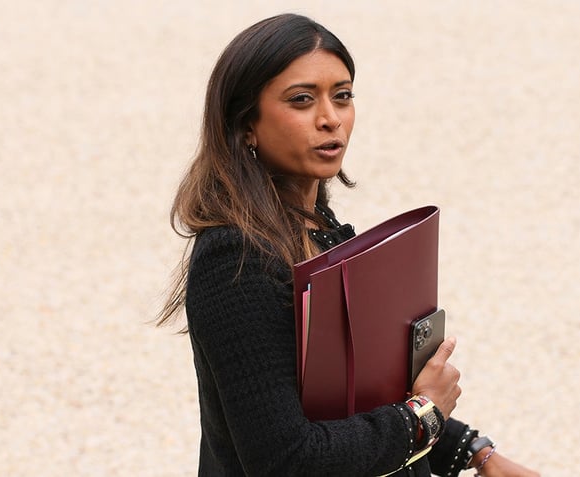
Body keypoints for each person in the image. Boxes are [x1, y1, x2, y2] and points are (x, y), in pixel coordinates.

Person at [157, 13, 540, 477]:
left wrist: (474, 450)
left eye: (343, 96)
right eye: (301, 100)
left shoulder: (321, 225)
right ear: (246, 125)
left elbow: (364, 395)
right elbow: (285, 458)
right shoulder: (236, 260)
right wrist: (424, 413)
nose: (330, 119)